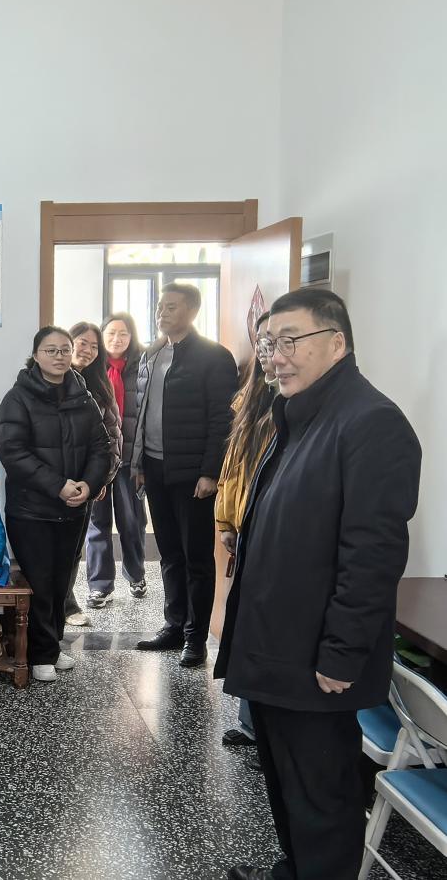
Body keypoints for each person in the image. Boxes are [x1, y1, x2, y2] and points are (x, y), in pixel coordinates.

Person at [217, 289, 421, 880]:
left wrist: (342, 653)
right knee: (286, 783)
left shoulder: (370, 422)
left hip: (315, 660)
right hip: (278, 648)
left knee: (322, 797)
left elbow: (372, 556)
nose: (276, 356)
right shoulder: (300, 415)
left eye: (290, 341)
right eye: (268, 344)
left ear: (337, 343)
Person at [131, 283, 238, 668]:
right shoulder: (152, 353)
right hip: (155, 468)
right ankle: (174, 625)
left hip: (193, 474)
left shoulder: (214, 356)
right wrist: (139, 464)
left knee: (196, 558)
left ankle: (196, 637)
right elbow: (142, 412)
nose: (162, 312)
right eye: (160, 306)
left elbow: (222, 419)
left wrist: (210, 471)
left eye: (171, 307)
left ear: (192, 311)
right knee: (170, 554)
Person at [0, 327, 112, 683]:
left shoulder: (83, 396)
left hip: (74, 507)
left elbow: (101, 447)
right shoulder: (18, 399)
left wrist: (89, 484)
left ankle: (50, 645)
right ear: (36, 355)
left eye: (65, 349)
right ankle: (39, 654)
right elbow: (13, 453)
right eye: (51, 350)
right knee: (40, 582)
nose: (59, 356)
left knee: (62, 581)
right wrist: (58, 485)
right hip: (31, 510)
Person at [214, 311, 277, 749]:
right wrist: (225, 520)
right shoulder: (251, 396)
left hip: (273, 532)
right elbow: (233, 466)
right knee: (247, 626)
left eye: (281, 341)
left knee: (264, 629)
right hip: (245, 524)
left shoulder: (299, 405)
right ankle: (251, 722)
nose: (270, 351)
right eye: (265, 342)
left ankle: (265, 727)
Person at [84, 312, 148, 607]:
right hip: (99, 460)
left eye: (123, 333)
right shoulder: (91, 369)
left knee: (132, 521)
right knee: (97, 523)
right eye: (110, 333)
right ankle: (100, 585)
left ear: (131, 337)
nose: (117, 339)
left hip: (130, 458)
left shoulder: (143, 366)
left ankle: (136, 574)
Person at [61, 321, 121, 625]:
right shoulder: (54, 380)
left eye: (94, 346)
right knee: (54, 548)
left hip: (87, 481)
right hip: (56, 481)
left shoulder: (99, 386)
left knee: (74, 547)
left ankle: (67, 604)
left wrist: (101, 478)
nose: (87, 350)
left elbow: (113, 435)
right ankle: (56, 606)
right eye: (82, 342)